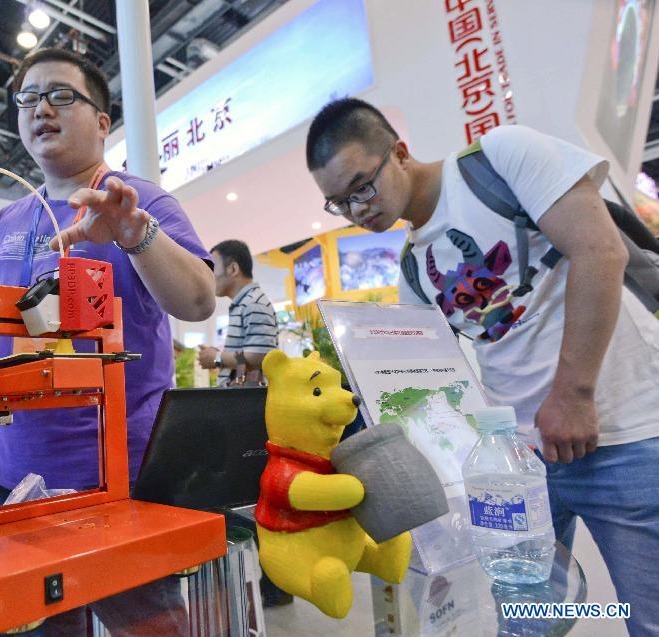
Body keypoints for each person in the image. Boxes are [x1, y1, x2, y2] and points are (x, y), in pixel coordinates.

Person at [306, 98, 659, 637]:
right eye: (339, 203)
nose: (356, 210)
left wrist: (574, 394)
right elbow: (425, 389)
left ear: (398, 152)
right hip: (518, 461)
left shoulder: (499, 159)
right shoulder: (411, 268)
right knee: (526, 621)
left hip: (623, 434)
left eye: (361, 187)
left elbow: (599, 252)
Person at [0, 47, 215, 635]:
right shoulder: (7, 223)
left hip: (122, 479)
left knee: (149, 625)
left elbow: (199, 300)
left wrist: (135, 236)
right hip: (20, 478)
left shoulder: (141, 203)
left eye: (60, 94)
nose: (40, 109)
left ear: (103, 122)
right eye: (28, 98)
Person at [199, 239, 277, 385]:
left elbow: (261, 356)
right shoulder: (247, 302)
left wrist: (217, 358)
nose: (209, 276)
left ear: (233, 269)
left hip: (246, 402)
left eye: (213, 268)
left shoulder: (254, 303)